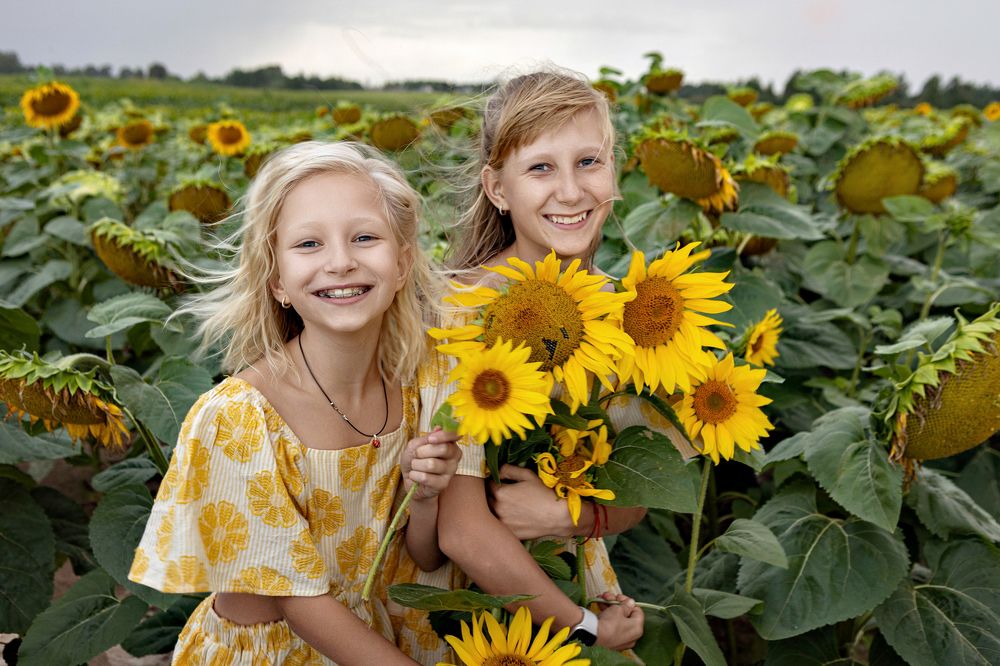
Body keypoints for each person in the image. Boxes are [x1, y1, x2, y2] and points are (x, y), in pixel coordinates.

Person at [128, 141, 466, 665]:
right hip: (278, 651)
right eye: (309, 244)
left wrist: (422, 499)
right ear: (276, 281)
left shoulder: (414, 389)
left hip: (371, 641)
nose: (340, 261)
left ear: (402, 265)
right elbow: (299, 602)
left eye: (364, 237)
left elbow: (419, 557)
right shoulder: (240, 417)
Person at [392, 69, 688, 663]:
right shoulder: (460, 313)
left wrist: (579, 514)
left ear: (614, 172)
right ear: (497, 189)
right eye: (541, 168)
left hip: (574, 580)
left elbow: (648, 486)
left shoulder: (637, 317)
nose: (572, 191)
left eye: (589, 162)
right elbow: (458, 531)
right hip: (472, 608)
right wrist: (584, 628)